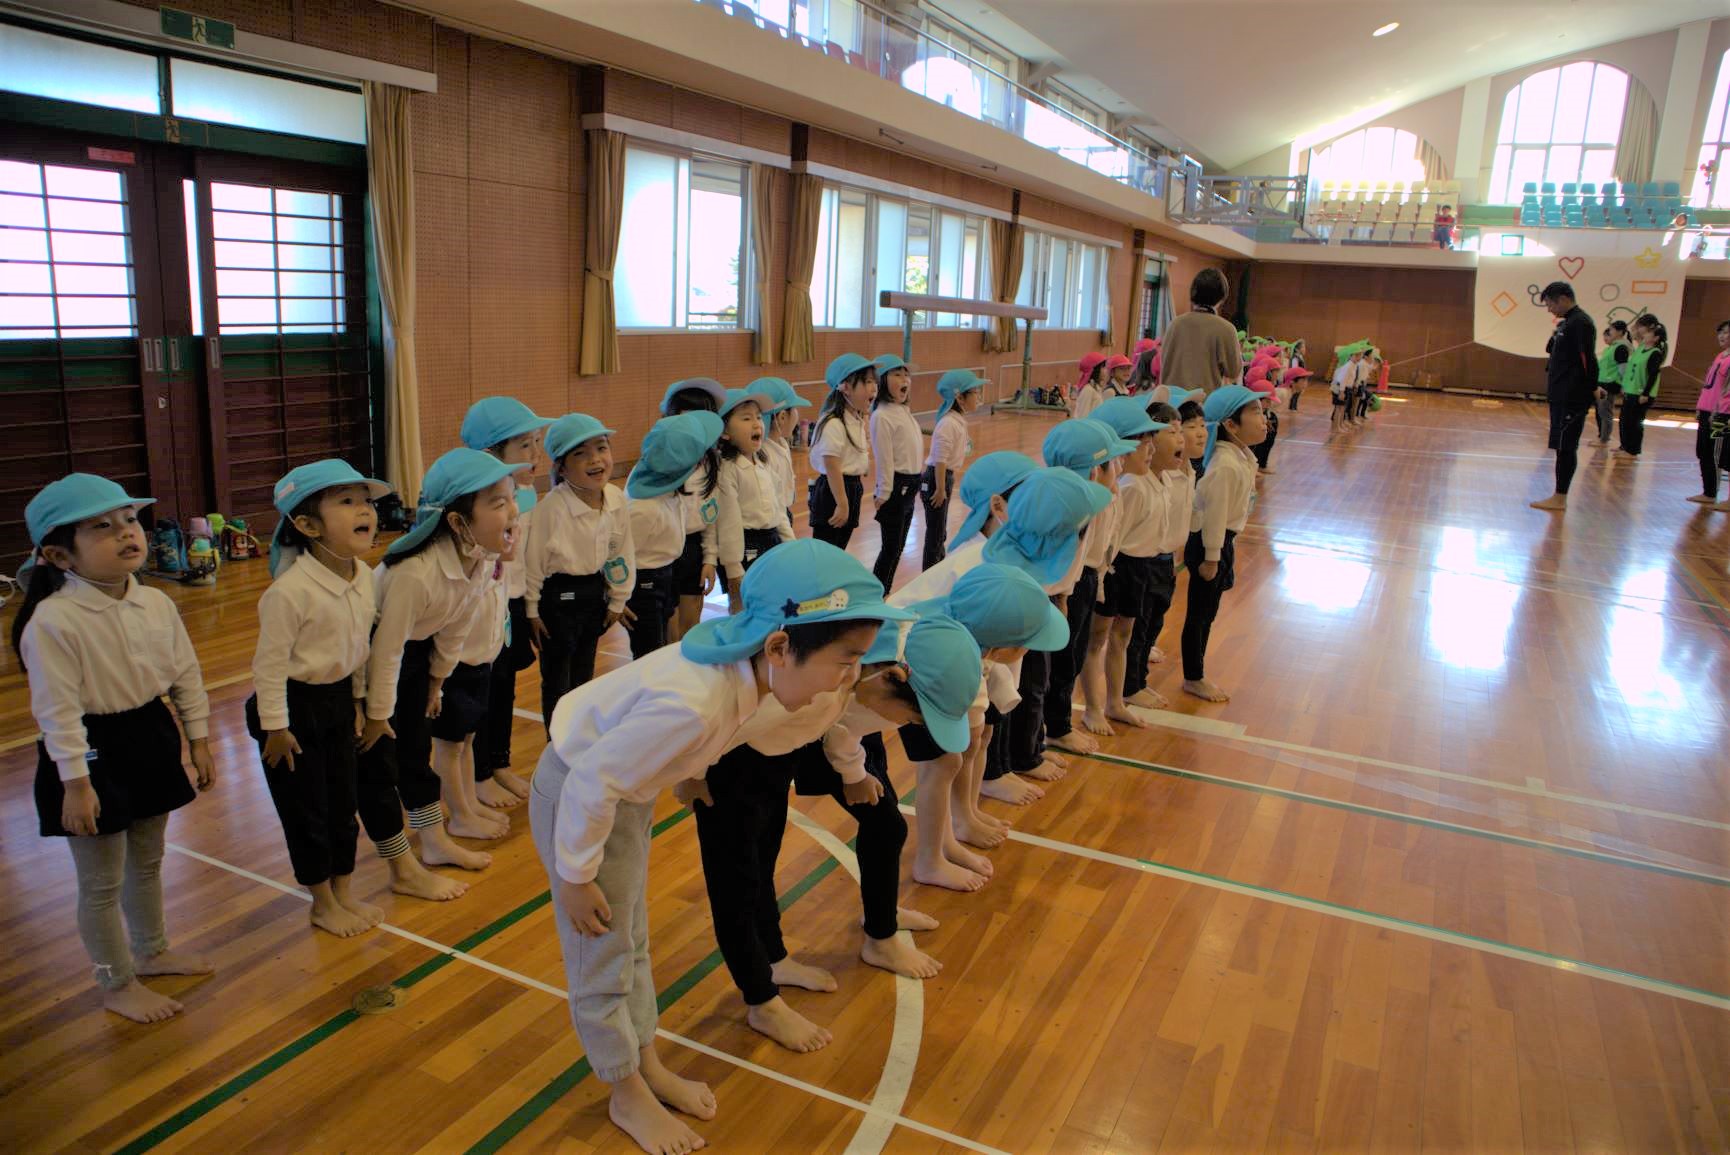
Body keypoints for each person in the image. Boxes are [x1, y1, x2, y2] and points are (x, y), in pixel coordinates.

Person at [529, 539, 911, 1155]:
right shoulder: (698, 703)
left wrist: (683, 769)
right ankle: (624, 1092)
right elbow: (594, 779)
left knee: (632, 937)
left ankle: (645, 1064)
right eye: (847, 660)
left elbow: (649, 746)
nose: (850, 678)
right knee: (600, 953)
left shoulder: (745, 678)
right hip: (579, 798)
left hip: (620, 800)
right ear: (781, 647)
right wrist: (574, 876)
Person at [681, 606, 971, 1053]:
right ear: (892, 677)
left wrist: (852, 770)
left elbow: (834, 728)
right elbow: (722, 716)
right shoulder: (817, 687)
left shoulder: (840, 688)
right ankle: (761, 1000)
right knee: (736, 881)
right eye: (909, 717)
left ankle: (773, 958)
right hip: (725, 766)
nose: (905, 728)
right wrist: (693, 769)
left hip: (772, 761)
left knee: (764, 860)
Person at [15, 474, 216, 1022]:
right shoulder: (53, 622)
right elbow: (56, 712)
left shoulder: (154, 602)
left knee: (147, 863)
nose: (127, 533)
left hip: (149, 734)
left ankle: (151, 952)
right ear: (60, 555)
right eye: (102, 527)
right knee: (101, 883)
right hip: (90, 752)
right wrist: (75, 785)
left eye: (129, 520)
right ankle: (115, 981)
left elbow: (184, 674)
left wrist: (197, 739)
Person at [363, 448, 525, 888]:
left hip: (415, 657)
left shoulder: (480, 557)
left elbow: (455, 626)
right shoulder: (416, 573)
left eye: (511, 497)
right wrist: (377, 713)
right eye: (497, 503)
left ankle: (433, 839)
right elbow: (385, 649)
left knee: (416, 752)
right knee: (388, 761)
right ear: (456, 522)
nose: (512, 510)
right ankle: (408, 857)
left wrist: (437, 680)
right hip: (373, 661)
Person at [249, 460, 391, 938]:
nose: (364, 509)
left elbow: (358, 650)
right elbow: (268, 668)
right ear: (307, 526)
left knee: (342, 802)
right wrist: (276, 727)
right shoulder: (289, 593)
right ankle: (322, 901)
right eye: (346, 502)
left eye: (365, 500)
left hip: (334, 701)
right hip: (290, 711)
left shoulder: (364, 576)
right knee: (306, 809)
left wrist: (359, 702)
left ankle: (345, 891)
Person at [460, 398, 552, 810]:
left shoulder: (526, 495)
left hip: (509, 606)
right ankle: (477, 774)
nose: (536, 455)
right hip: (478, 613)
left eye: (537, 443)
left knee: (504, 688)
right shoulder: (476, 505)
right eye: (525, 446)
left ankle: (498, 762)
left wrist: (530, 605)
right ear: (489, 455)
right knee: (478, 694)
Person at [1038, 414, 1141, 759]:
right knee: (1059, 662)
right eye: (1115, 460)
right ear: (1094, 472)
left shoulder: (1107, 498)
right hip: (1072, 586)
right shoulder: (1078, 508)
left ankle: (1055, 726)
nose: (1122, 463)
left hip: (1087, 580)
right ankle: (1054, 728)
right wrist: (1071, 592)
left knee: (1074, 656)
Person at [525, 414, 635, 724]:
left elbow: (622, 553)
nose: (595, 459)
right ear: (561, 467)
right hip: (558, 599)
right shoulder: (552, 507)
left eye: (601, 448)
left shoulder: (615, 498)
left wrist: (618, 599)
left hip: (593, 593)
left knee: (584, 674)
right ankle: (555, 745)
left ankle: (576, 738)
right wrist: (532, 609)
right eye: (580, 453)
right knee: (558, 679)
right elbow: (534, 560)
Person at [1181, 386, 1265, 702]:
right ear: (1231, 425)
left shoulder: (1241, 457)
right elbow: (1214, 516)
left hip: (1221, 542)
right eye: (1254, 411)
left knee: (1209, 611)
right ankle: (1193, 676)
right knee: (1200, 613)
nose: (1263, 419)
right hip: (1209, 543)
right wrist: (1212, 558)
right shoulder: (1225, 465)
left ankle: (1196, 672)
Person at [626, 411, 728, 653]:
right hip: (645, 582)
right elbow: (620, 554)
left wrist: (709, 556)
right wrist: (618, 597)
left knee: (666, 641)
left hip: (668, 571)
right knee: (651, 649)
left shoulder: (672, 496)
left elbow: (707, 518)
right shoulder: (643, 509)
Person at [716, 387, 793, 610]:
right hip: (744, 548)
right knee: (743, 608)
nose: (757, 424)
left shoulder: (764, 463)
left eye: (759, 417)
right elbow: (728, 523)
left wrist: (791, 545)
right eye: (746, 418)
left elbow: (779, 511)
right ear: (725, 432)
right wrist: (733, 568)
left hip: (771, 542)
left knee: (772, 602)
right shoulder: (728, 469)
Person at [659, 379, 724, 641]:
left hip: (693, 549)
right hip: (664, 551)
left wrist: (709, 559)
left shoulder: (711, 463)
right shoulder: (660, 461)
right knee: (668, 627)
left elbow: (711, 516)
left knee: (690, 625)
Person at [1530, 282, 1599, 512]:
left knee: (1567, 446)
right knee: (1560, 445)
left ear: (1562, 298)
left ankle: (1561, 497)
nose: (1549, 309)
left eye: (1550, 303)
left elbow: (1587, 358)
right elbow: (1551, 349)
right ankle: (1558, 495)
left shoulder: (1581, 323)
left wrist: (1591, 387)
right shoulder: (1567, 323)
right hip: (1560, 394)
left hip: (1573, 395)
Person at [809, 353, 877, 550]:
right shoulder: (833, 423)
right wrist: (842, 502)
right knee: (826, 553)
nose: (874, 388)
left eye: (874, 381)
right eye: (867, 382)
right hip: (835, 490)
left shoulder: (856, 418)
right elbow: (831, 465)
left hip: (851, 488)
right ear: (846, 388)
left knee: (839, 550)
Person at [868, 354, 923, 591]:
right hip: (895, 487)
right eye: (897, 374)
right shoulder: (881, 415)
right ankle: (878, 593)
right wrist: (884, 491)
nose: (904, 379)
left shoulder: (902, 410)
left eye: (906, 374)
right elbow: (884, 458)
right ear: (882, 381)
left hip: (910, 484)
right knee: (890, 548)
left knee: (898, 546)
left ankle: (885, 591)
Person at [921, 369, 984, 572]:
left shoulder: (956, 421)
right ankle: (930, 575)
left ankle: (936, 570)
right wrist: (940, 489)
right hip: (936, 479)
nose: (979, 396)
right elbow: (940, 459)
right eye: (975, 392)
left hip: (943, 478)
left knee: (939, 532)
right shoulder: (948, 423)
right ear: (959, 397)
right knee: (936, 534)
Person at [1158, 268, 1243, 394]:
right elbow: (1233, 371)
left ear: (1193, 293)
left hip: (1170, 403)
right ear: (1222, 296)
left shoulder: (1175, 324)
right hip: (1203, 405)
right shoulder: (1226, 329)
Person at [754, 377, 812, 527]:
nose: (797, 414)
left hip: (783, 512)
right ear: (782, 417)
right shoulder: (763, 454)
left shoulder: (781, 443)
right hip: (773, 520)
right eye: (795, 409)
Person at [1689, 320, 1730, 507]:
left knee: (1719, 454)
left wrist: (1717, 410)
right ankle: (1709, 492)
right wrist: (1700, 406)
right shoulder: (1720, 356)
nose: (1722, 336)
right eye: (1720, 332)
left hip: (1721, 414)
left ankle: (1717, 494)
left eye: (1726, 333)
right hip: (1707, 410)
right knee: (1703, 451)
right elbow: (1709, 385)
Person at [1615, 314, 1666, 461]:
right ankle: (1625, 446)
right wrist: (1625, 385)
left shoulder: (1655, 353)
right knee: (1625, 420)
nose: (1644, 334)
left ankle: (1633, 450)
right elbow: (1635, 333)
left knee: (1635, 422)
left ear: (1656, 338)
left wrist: (1645, 393)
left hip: (1641, 394)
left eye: (1648, 333)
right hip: (1630, 390)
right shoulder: (1641, 348)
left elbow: (1653, 375)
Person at [1592, 322, 1631, 448]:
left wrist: (1622, 385)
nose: (1609, 332)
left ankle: (1604, 439)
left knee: (1605, 412)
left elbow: (1623, 369)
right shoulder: (1611, 348)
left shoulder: (1621, 348)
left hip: (1609, 385)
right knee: (1601, 411)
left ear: (1619, 332)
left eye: (1612, 330)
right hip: (1603, 383)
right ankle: (1602, 437)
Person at [1330, 350, 1361, 436]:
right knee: (1338, 408)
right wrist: (1341, 392)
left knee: (1343, 408)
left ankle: (1340, 424)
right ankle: (1336, 427)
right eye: (1357, 356)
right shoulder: (1348, 366)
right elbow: (1342, 380)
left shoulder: (1354, 365)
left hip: (1347, 388)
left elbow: (1351, 379)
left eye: (1360, 356)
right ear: (1351, 356)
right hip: (1340, 388)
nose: (1359, 358)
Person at [1070, 352, 1107, 420]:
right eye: (1102, 367)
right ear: (1095, 370)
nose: (1105, 371)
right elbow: (1082, 416)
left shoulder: (1096, 388)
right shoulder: (1088, 390)